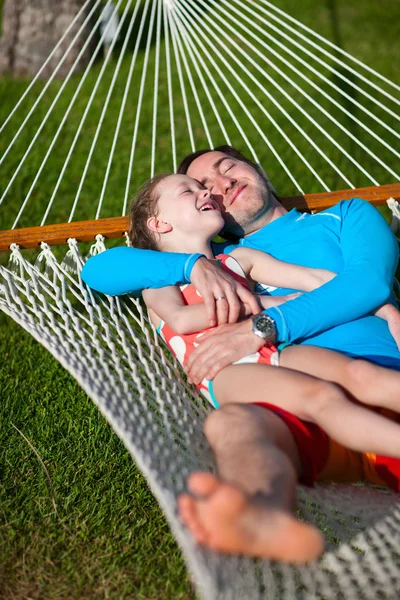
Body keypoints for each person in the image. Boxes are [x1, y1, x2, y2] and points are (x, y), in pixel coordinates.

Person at [81, 146, 400, 563]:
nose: (219, 185)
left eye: (226, 167)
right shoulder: (220, 259)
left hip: (379, 377)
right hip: (295, 402)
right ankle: (260, 515)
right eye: (203, 187)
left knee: (357, 380)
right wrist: (193, 266)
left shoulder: (344, 216)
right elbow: (100, 270)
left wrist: (261, 327)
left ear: (256, 167)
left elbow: (367, 283)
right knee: (232, 423)